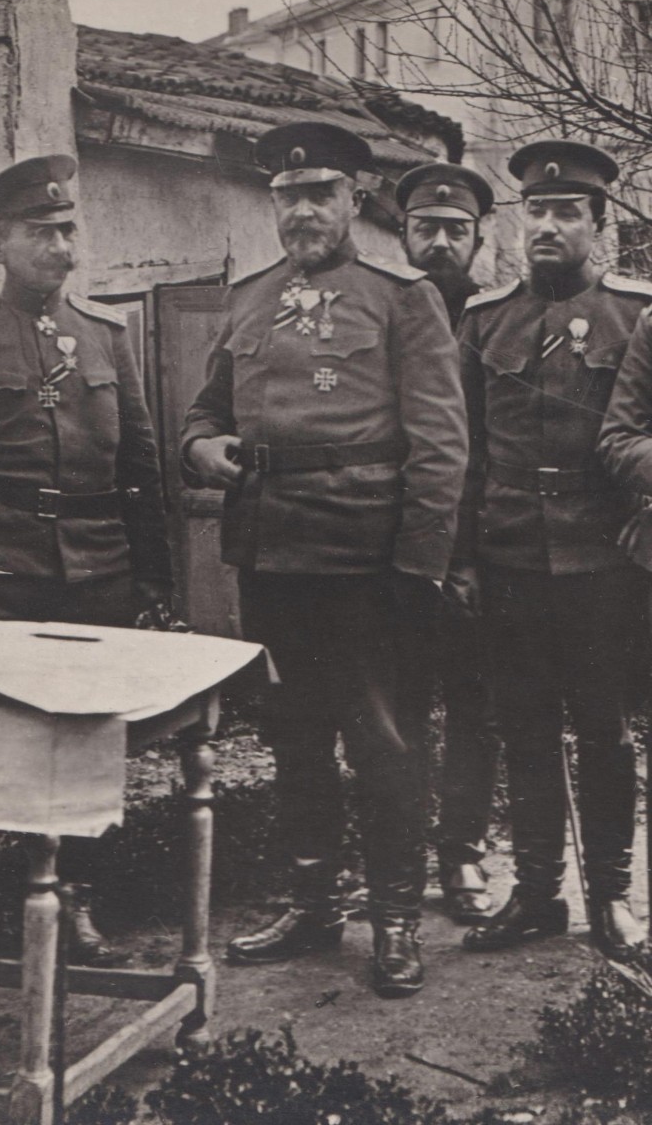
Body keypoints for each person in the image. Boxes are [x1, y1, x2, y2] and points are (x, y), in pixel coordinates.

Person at [182, 122, 468, 998]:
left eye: (320, 194)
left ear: (353, 201)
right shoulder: (250, 296)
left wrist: (418, 566)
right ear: (273, 203)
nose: (303, 210)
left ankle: (392, 919)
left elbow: (442, 444)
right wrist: (204, 451)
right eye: (288, 196)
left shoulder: (400, 296)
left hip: (369, 562)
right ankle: (313, 903)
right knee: (294, 735)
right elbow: (201, 413)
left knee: (382, 742)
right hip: (273, 553)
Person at [0, 153, 173, 965]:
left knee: (83, 742)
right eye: (39, 232)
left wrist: (155, 582)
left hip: (97, 573)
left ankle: (71, 905)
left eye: (67, 229)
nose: (60, 247)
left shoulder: (106, 335)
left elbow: (141, 468)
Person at [455, 140, 649, 961]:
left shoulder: (635, 316)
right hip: (508, 558)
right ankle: (537, 894)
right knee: (523, 729)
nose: (548, 225)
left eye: (567, 212)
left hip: (602, 563)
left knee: (603, 733)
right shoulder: (483, 320)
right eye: (536, 210)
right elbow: (459, 449)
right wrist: (460, 555)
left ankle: (611, 897)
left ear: (598, 226)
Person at [395, 162, 500, 923]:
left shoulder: (493, 322)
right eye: (425, 228)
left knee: (474, 705)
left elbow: (488, 450)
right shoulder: (381, 309)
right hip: (390, 553)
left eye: (454, 231)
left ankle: (461, 853)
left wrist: (463, 556)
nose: (438, 243)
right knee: (392, 709)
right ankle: (393, 859)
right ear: (403, 234)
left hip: (474, 555)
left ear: (478, 239)